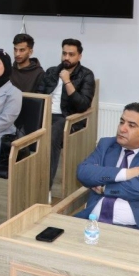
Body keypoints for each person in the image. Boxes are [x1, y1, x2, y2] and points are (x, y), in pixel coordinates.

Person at [76, 103, 139, 234]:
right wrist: (124, 173)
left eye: (131, 125)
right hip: (93, 223)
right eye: (122, 122)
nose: (122, 129)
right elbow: (83, 172)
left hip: (138, 229)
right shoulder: (106, 145)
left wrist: (105, 188)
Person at [35, 38, 96, 187]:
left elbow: (83, 105)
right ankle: (26, 178)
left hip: (68, 118)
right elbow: (38, 95)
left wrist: (67, 81)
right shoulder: (51, 71)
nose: (66, 57)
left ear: (79, 56)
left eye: (71, 54)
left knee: (52, 134)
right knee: (23, 130)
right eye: (64, 53)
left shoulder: (86, 75)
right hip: (45, 115)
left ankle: (45, 187)